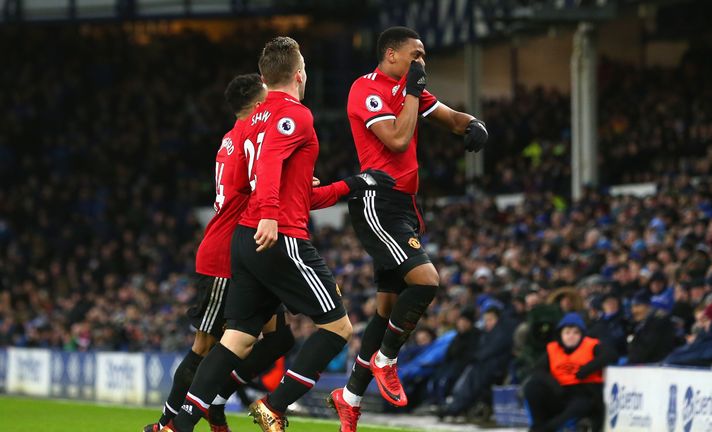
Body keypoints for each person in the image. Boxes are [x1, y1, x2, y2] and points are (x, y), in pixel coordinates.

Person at [165, 37, 396, 432]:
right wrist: (272, 214)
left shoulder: (252, 119)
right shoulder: (294, 114)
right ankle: (273, 406)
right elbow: (271, 161)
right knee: (338, 327)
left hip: (243, 238)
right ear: (299, 74)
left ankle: (178, 426)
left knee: (237, 338)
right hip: (279, 235)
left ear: (263, 77)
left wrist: (351, 184)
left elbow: (271, 182)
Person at [328, 26, 488, 431]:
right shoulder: (366, 89)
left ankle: (349, 398)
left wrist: (473, 124)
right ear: (391, 54)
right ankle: (387, 360)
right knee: (426, 281)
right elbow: (398, 140)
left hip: (404, 205)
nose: (422, 62)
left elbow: (450, 118)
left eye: (424, 56)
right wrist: (414, 91)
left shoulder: (409, 88)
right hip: (377, 199)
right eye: (416, 54)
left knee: (385, 311)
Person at [145, 74, 297, 432]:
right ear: (258, 104)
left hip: (247, 253)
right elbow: (262, 181)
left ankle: (214, 399)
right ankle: (166, 424)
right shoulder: (247, 135)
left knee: (280, 338)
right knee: (204, 346)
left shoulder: (229, 139)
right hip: (224, 256)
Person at [524, 313, 617, 432]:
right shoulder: (553, 349)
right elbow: (538, 370)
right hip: (560, 392)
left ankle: (546, 428)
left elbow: (611, 355)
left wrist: (586, 370)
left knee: (581, 404)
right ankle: (538, 424)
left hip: (584, 392)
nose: (571, 336)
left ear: (582, 334)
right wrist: (554, 385)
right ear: (560, 334)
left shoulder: (592, 345)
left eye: (575, 332)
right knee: (532, 386)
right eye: (567, 332)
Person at [626, 291, 678, 364]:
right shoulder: (643, 323)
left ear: (648, 306)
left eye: (637, 306)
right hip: (648, 365)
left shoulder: (658, 322)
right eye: (632, 307)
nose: (634, 310)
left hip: (657, 366)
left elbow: (645, 350)